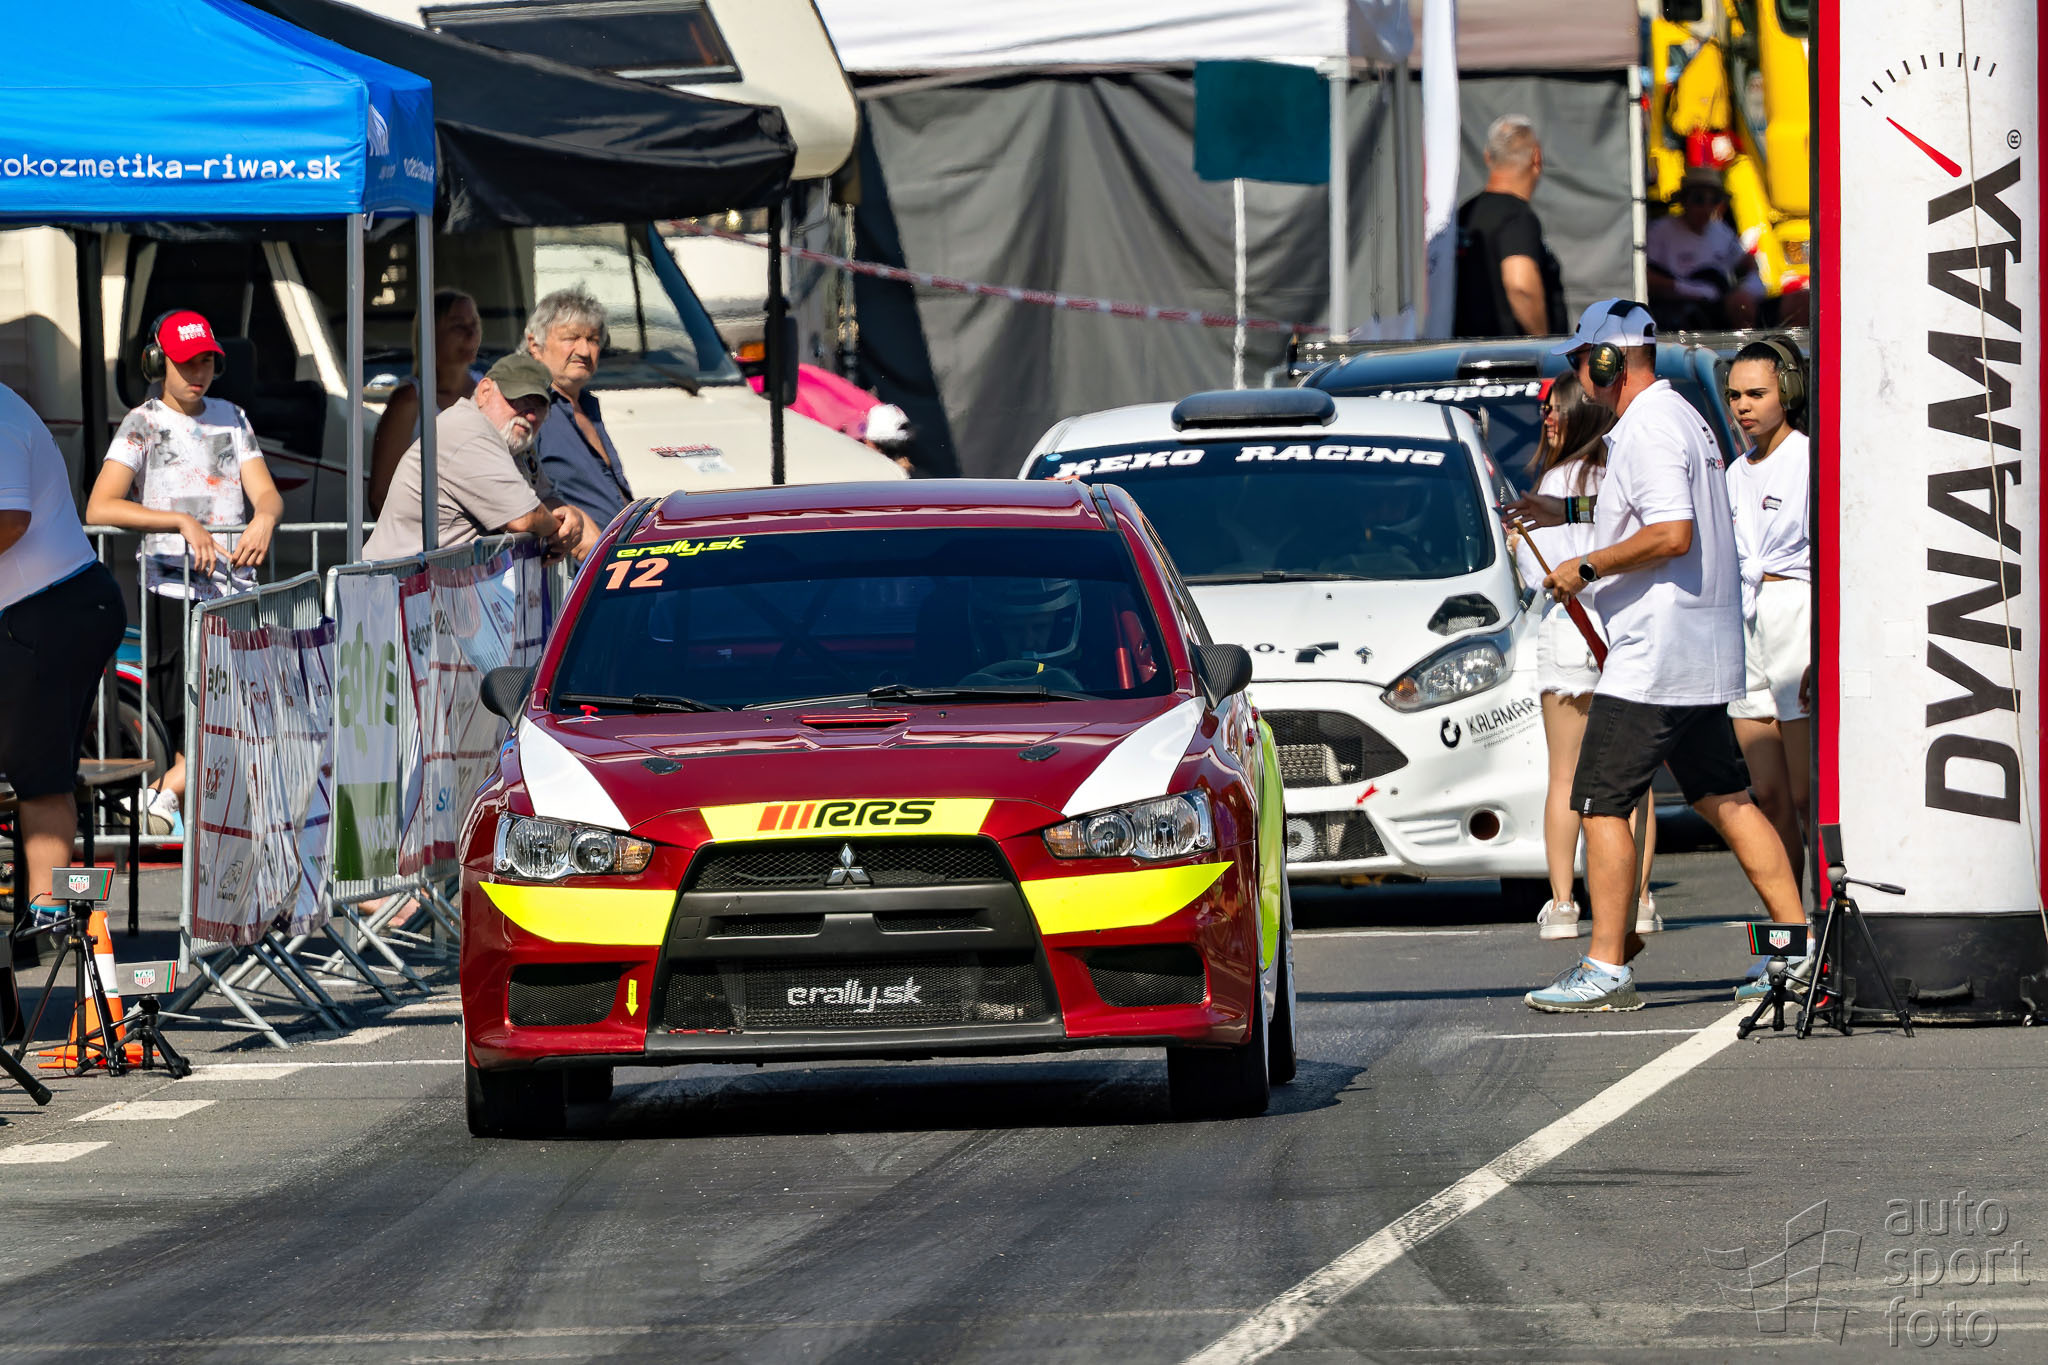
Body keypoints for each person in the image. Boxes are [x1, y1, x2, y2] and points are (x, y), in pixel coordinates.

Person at [1510, 299, 1805, 1012]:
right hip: (1698, 650)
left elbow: (1672, 532)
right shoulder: (1681, 416)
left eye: (1582, 360)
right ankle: (1797, 952)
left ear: (1608, 360)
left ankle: (1606, 965)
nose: (1579, 374)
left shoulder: (1645, 428)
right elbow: (1658, 510)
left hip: (1654, 655)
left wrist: (1586, 566)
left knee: (1600, 801)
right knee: (1726, 799)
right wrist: (1567, 513)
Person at [86, 309, 283, 835]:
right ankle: (167, 802)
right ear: (158, 363)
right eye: (187, 362)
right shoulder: (142, 422)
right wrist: (179, 522)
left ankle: (161, 797)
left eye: (208, 363)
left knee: (234, 714)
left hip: (233, 591)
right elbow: (100, 505)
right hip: (170, 591)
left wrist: (265, 518)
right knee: (193, 720)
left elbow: (266, 493)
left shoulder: (233, 417)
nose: (199, 373)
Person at [1508, 374, 1659, 942]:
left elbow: (1538, 575)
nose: (1547, 418)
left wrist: (1519, 545)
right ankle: (1639, 899)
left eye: (1556, 409)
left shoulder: (1553, 484)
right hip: (1625, 627)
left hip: (1570, 631)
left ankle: (1564, 903)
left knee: (1565, 774)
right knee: (1635, 777)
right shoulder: (1623, 477)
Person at [1, 382, 127, 932]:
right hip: (53, 605)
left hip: (51, 607)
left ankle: (48, 917)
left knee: (40, 773)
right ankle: (47, 913)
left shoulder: (0, 413)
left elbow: (10, 519)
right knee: (42, 770)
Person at [1723, 336, 1813, 931]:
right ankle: (1790, 934)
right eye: (1735, 395)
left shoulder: (1810, 458)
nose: (1743, 406)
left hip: (1797, 618)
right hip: (1746, 627)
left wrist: (1823, 652)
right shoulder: (1734, 473)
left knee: (1807, 797)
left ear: (1788, 390)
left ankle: (1829, 931)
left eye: (1756, 393)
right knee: (1770, 796)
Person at [364, 353, 579, 561]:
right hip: (395, 580)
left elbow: (546, 497)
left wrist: (569, 515)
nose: (530, 415)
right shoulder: (469, 430)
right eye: (519, 400)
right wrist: (558, 530)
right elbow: (524, 518)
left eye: (539, 406)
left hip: (433, 579)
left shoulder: (514, 442)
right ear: (485, 391)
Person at [525, 286, 633, 533]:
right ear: (535, 345)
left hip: (622, 551)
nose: (584, 351)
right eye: (571, 338)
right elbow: (515, 494)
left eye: (592, 340)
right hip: (573, 556)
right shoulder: (527, 408)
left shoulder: (587, 405)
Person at [370, 288, 484, 515]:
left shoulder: (488, 392)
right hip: (427, 533)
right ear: (430, 334)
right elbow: (381, 495)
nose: (471, 333)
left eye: (475, 324)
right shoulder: (409, 400)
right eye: (458, 326)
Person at [1453, 115, 1567, 339]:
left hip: (1463, 351)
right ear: (1536, 157)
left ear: (1488, 157)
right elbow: (1521, 287)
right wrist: (1543, 346)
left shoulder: (1464, 214)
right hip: (1511, 356)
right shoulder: (1517, 217)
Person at [1646, 167, 1762, 332]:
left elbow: (1746, 262)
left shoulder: (1721, 231)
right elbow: (1645, 277)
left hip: (1718, 311)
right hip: (1676, 313)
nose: (1706, 207)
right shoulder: (1660, 231)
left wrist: (1749, 286)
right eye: (1699, 199)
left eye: (1714, 200)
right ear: (1684, 200)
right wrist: (1689, 289)